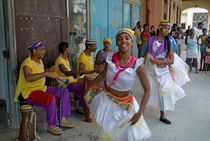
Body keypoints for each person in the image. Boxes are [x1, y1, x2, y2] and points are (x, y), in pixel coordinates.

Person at [84, 28, 151, 141]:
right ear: (116, 42)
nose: (123, 41)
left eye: (127, 38)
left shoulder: (137, 64)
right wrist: (89, 87)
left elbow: (148, 90)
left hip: (126, 105)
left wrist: (140, 112)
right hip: (107, 102)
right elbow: (102, 75)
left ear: (132, 42)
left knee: (124, 136)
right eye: (119, 39)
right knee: (107, 135)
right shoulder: (110, 59)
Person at [14, 42, 74, 135]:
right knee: (50, 99)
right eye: (41, 49)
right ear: (34, 51)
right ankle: (52, 125)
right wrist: (45, 74)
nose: (44, 51)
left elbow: (40, 72)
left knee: (63, 90)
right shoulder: (27, 63)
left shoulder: (40, 61)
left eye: (44, 49)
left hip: (41, 88)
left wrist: (49, 70)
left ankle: (62, 119)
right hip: (28, 92)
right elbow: (28, 77)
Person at [144, 19, 186, 125]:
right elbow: (146, 52)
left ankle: (162, 115)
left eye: (168, 28)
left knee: (163, 93)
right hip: (150, 69)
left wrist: (158, 61)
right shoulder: (151, 39)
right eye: (165, 28)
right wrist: (140, 61)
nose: (167, 30)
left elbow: (171, 60)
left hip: (162, 70)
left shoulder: (169, 42)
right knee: (148, 90)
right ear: (159, 28)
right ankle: (140, 112)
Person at [55, 42, 87, 113]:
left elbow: (70, 73)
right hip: (64, 83)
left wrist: (77, 78)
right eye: (69, 48)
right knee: (81, 88)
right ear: (66, 49)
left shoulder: (66, 59)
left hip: (71, 81)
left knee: (85, 84)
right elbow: (67, 73)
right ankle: (81, 107)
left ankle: (83, 106)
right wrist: (79, 71)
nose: (70, 49)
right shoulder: (60, 60)